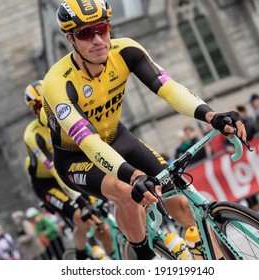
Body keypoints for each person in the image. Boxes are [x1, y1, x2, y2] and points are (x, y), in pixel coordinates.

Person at [42, 0, 246, 260]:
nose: (97, 40)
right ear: (71, 40)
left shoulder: (126, 50)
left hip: (117, 138)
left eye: (102, 28)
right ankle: (144, 259)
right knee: (126, 192)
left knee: (182, 201)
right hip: (77, 157)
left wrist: (211, 115)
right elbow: (88, 141)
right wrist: (133, 174)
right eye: (85, 33)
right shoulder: (57, 82)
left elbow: (168, 88)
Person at [23, 80, 113, 260]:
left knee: (103, 224)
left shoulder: (66, 117)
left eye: (47, 102)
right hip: (48, 183)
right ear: (33, 111)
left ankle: (115, 256)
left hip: (69, 171)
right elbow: (55, 170)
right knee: (81, 215)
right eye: (40, 106)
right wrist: (80, 201)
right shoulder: (32, 135)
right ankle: (81, 258)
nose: (44, 109)